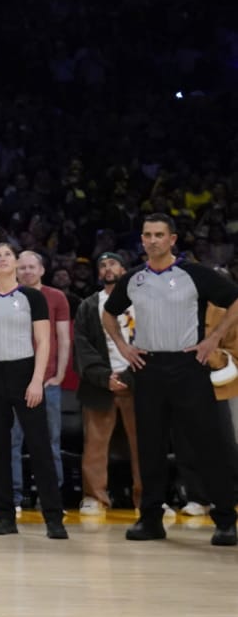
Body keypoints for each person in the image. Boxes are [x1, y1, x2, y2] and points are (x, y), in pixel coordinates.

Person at [102, 214, 238, 546]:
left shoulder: (195, 274)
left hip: (189, 364)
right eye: (147, 235)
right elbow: (109, 313)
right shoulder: (133, 278)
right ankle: (150, 520)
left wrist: (214, 339)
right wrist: (122, 346)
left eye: (159, 234)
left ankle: (225, 520)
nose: (152, 240)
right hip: (147, 367)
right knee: (149, 446)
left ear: (173, 239)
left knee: (208, 444)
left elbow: (234, 301)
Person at [0, 243, 66, 539]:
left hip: (24, 372)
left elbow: (44, 342)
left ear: (17, 264)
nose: (4, 258)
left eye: (9, 254)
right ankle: (5, 516)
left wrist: (36, 380)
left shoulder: (32, 297)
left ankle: (53, 518)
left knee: (39, 446)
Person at [73, 251, 140, 515]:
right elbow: (83, 345)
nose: (107, 268)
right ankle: (94, 497)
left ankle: (148, 498)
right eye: (102, 265)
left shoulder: (141, 302)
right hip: (101, 384)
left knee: (144, 445)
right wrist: (104, 377)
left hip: (137, 382)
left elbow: (150, 341)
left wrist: (128, 377)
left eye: (112, 263)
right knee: (95, 444)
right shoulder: (89, 305)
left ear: (124, 269)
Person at [8, 250, 72, 509]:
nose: (26, 271)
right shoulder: (7, 297)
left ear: (42, 270)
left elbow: (64, 339)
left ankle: (51, 498)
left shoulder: (56, 297)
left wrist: (59, 375)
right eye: (21, 267)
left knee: (49, 442)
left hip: (47, 383)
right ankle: (13, 496)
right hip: (14, 381)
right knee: (12, 441)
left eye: (31, 267)